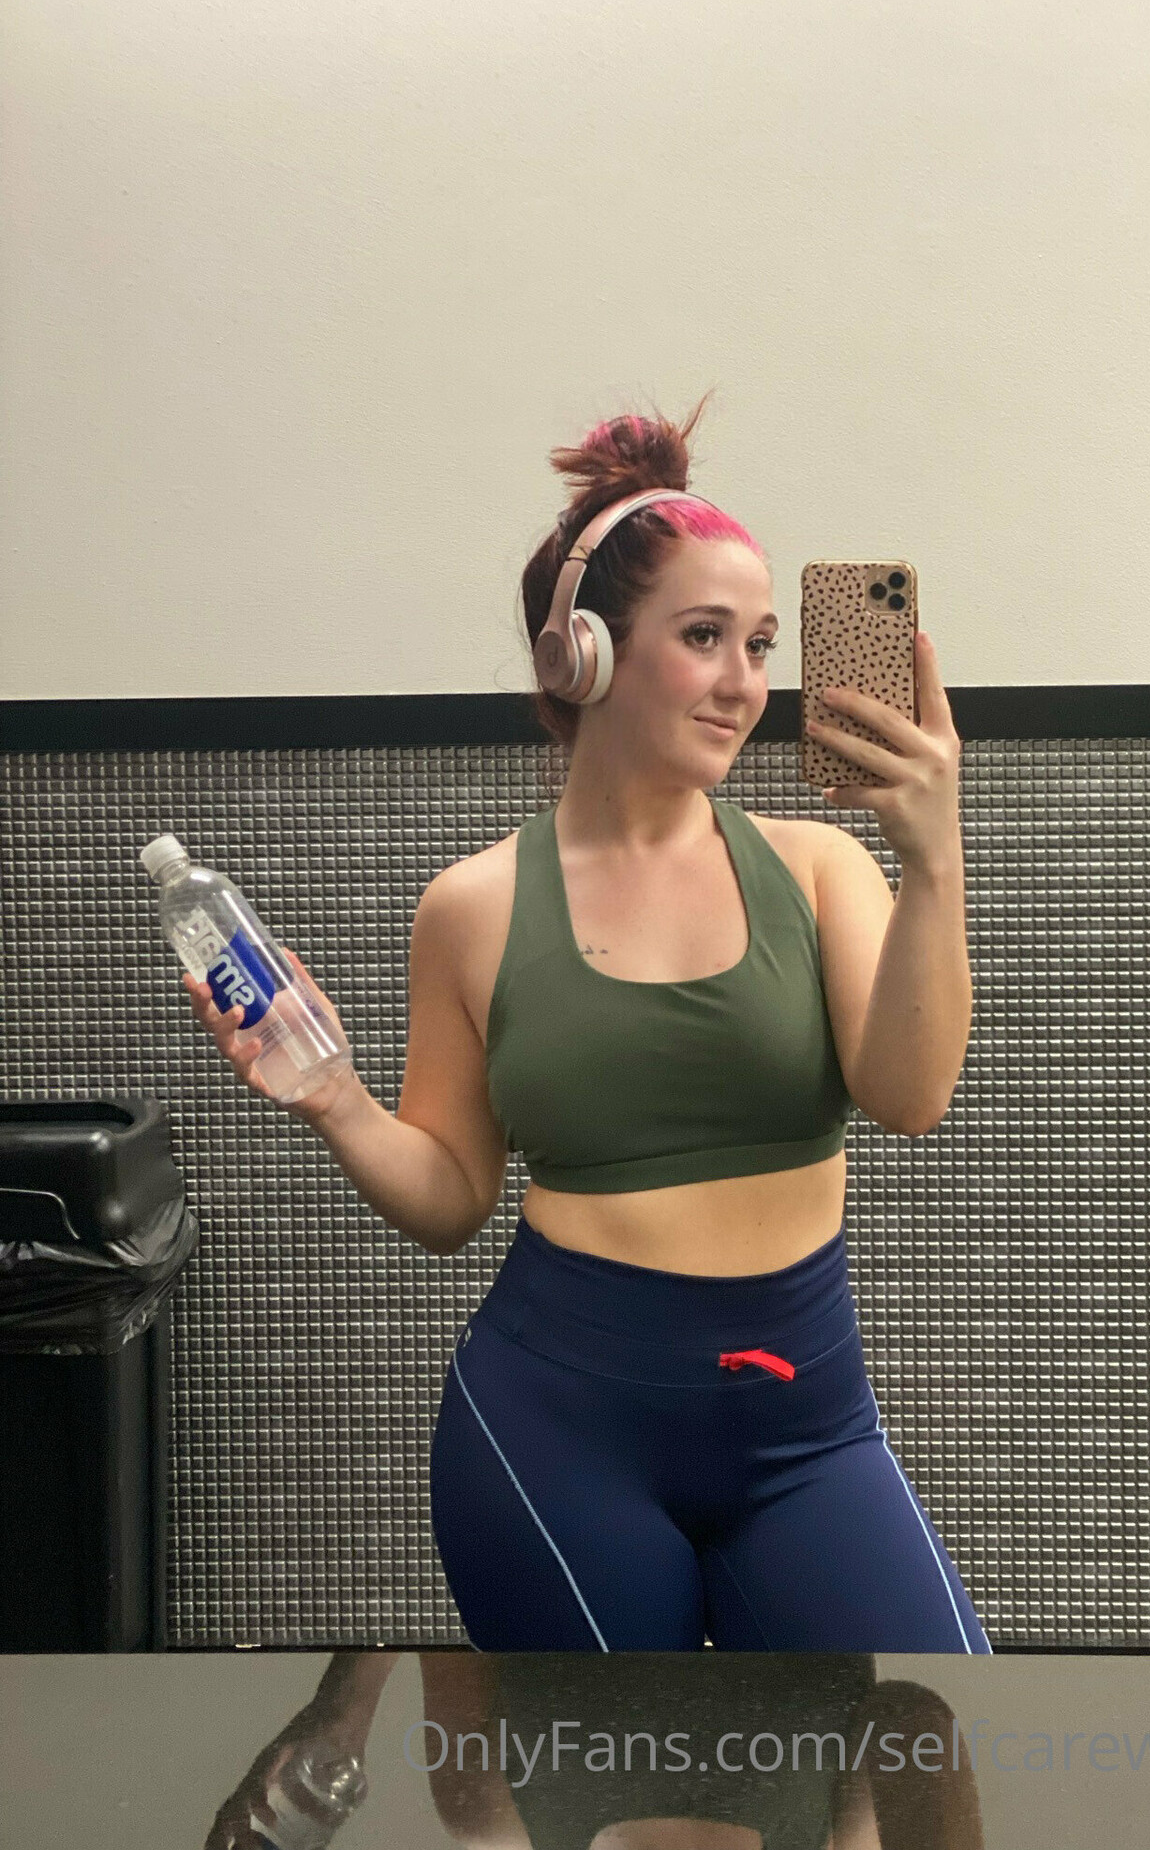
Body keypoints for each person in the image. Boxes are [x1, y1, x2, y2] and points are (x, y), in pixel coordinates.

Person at [185, 393, 990, 1653]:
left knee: (923, 1753)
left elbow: (911, 1097)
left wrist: (931, 860)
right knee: (625, 1774)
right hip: (558, 1428)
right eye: (704, 637)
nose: (744, 684)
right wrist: (335, 1101)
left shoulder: (822, 867)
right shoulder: (472, 908)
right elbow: (452, 1201)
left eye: (760, 644)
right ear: (583, 657)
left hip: (808, 1431)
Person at [204, 1646, 987, 1850]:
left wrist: (343, 1710)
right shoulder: (834, 1838)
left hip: (568, 1435)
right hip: (774, 1445)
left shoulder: (488, 1813)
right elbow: (913, 1722)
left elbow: (442, 1592)